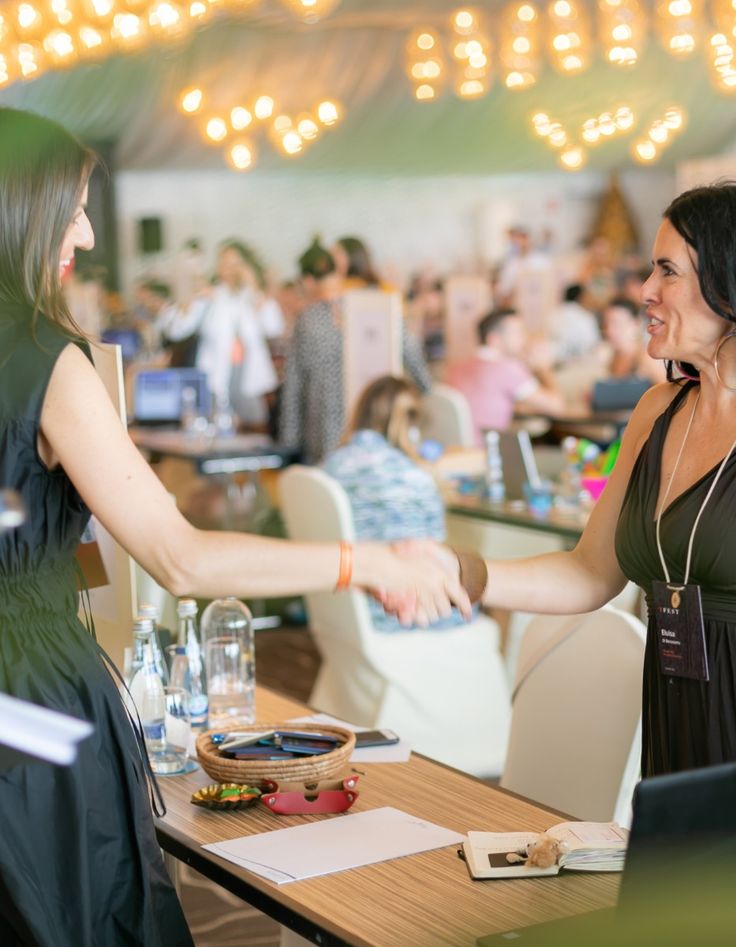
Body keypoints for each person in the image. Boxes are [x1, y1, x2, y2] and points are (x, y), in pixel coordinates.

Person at [0, 107, 469, 946]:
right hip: (29, 699)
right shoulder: (45, 359)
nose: (83, 231)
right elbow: (180, 556)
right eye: (70, 205)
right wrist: (367, 561)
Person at [404, 182, 736, 778]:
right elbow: (588, 572)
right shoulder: (658, 412)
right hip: (677, 723)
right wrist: (465, 574)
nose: (644, 291)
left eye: (667, 271)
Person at [324, 375, 470, 633]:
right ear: (412, 426)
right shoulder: (416, 478)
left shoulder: (327, 468)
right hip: (403, 613)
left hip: (340, 612)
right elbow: (434, 553)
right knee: (481, 596)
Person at [279, 238, 431, 464]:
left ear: (308, 282)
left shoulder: (309, 320)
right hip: (381, 429)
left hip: (325, 438)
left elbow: (294, 385)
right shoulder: (380, 306)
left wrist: (289, 445)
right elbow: (416, 367)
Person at [162, 240, 284, 427]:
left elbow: (274, 327)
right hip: (216, 381)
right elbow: (177, 331)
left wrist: (254, 288)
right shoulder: (211, 297)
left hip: (249, 382)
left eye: (235, 264)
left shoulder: (252, 298)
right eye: (224, 263)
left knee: (255, 428)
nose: (229, 269)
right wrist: (187, 300)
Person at [444, 307, 565, 443]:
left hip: (454, 452)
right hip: (484, 455)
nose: (524, 339)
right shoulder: (507, 368)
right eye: (517, 333)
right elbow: (557, 407)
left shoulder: (456, 367)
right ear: (493, 339)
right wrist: (544, 368)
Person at [602, 295, 666, 385]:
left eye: (617, 324)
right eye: (606, 324)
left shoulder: (647, 359)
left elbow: (670, 394)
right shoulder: (614, 356)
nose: (609, 330)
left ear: (636, 323)